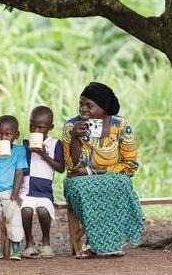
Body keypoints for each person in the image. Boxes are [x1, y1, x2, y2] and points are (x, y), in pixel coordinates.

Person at [62, 82, 142, 257]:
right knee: (80, 187)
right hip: (80, 181)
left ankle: (104, 243)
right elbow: (72, 168)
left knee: (120, 183)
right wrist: (75, 137)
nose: (83, 109)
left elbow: (130, 165)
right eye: (81, 104)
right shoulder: (71, 126)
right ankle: (98, 242)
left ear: (104, 108)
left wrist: (93, 172)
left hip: (110, 177)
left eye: (89, 106)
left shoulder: (121, 126)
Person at [20, 106, 65, 259]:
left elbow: (60, 168)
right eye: (32, 125)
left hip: (44, 191)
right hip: (26, 190)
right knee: (25, 210)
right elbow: (21, 165)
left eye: (40, 127)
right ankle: (29, 242)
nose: (35, 130)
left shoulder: (55, 144)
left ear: (50, 127)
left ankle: (46, 242)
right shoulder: (25, 142)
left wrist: (44, 155)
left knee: (43, 211)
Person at [0, 115, 27, 260]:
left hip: (9, 190)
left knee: (14, 209)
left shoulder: (20, 151)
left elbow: (19, 172)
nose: (3, 138)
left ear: (16, 135)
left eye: (8, 134)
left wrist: (15, 194)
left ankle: (16, 244)